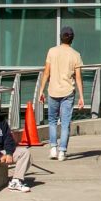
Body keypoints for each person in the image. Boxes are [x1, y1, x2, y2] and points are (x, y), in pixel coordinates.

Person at [37, 26, 84, 161]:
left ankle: (53, 148)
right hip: (68, 92)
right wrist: (81, 96)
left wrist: (41, 91)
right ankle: (62, 151)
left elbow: (46, 72)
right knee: (65, 123)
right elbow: (78, 77)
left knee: (52, 120)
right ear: (72, 39)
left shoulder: (52, 51)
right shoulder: (76, 55)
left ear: (60, 37)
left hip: (53, 91)